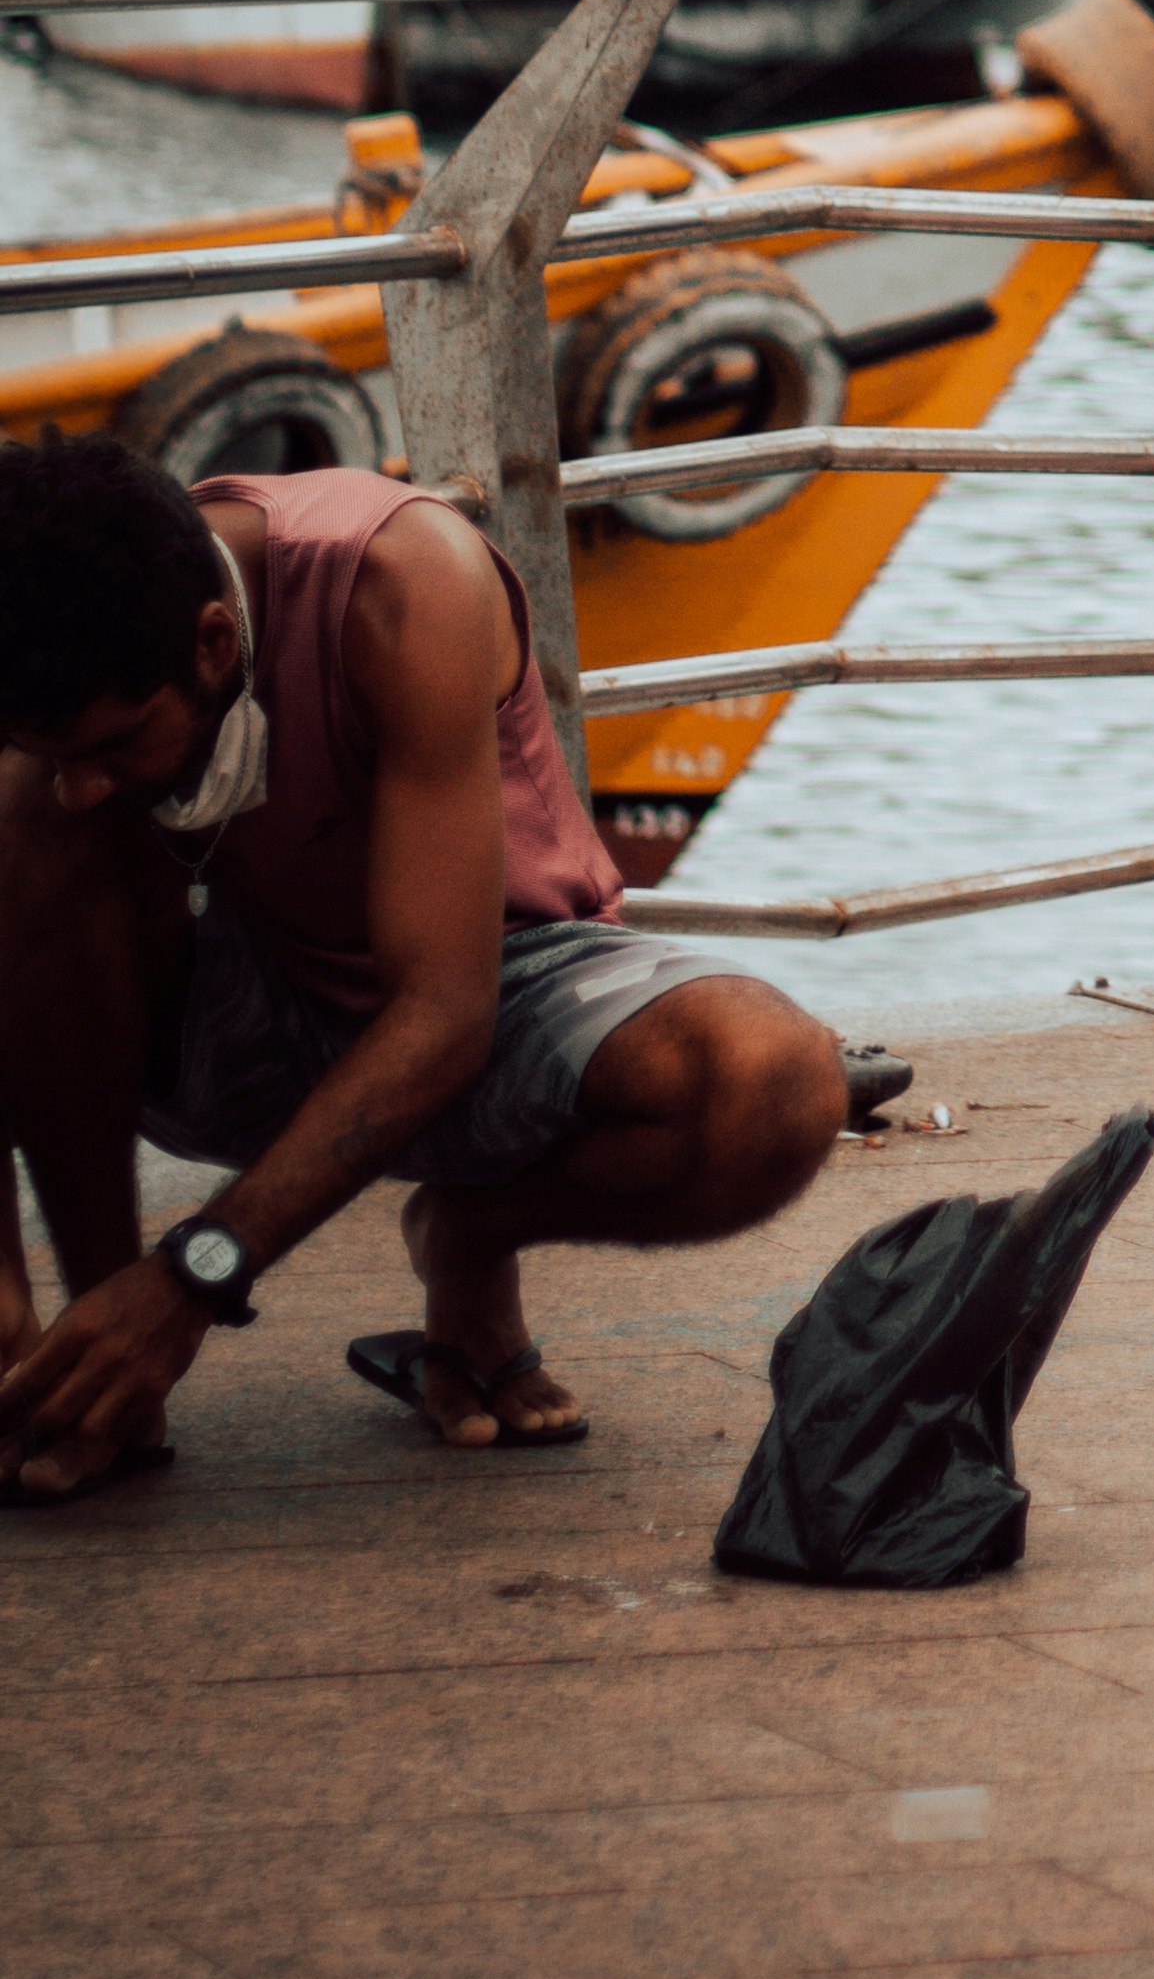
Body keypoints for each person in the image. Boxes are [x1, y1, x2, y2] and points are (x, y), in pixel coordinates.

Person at [0, 438, 847, 1501]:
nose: (87, 787)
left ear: (214, 643)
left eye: (115, 746)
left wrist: (193, 1279)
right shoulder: (50, 668)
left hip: (490, 993)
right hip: (236, 1000)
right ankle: (91, 1356)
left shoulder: (404, 584)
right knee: (19, 811)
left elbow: (444, 1013)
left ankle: (469, 1230)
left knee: (776, 1084)